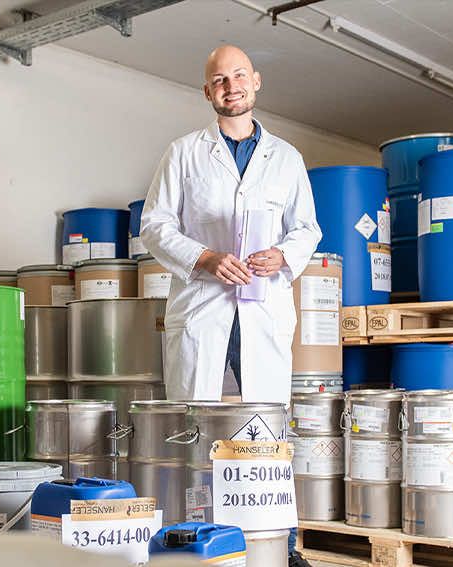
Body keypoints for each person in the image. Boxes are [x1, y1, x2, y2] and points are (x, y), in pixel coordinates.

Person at [140, 45, 321, 566]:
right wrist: (205, 257)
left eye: (239, 75)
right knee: (193, 428)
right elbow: (154, 225)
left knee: (266, 433)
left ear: (256, 82)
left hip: (261, 312)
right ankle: (191, 539)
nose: (230, 85)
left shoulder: (286, 158)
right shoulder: (183, 153)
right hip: (204, 309)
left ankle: (278, 546)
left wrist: (281, 255)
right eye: (219, 79)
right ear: (207, 91)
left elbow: (307, 228)